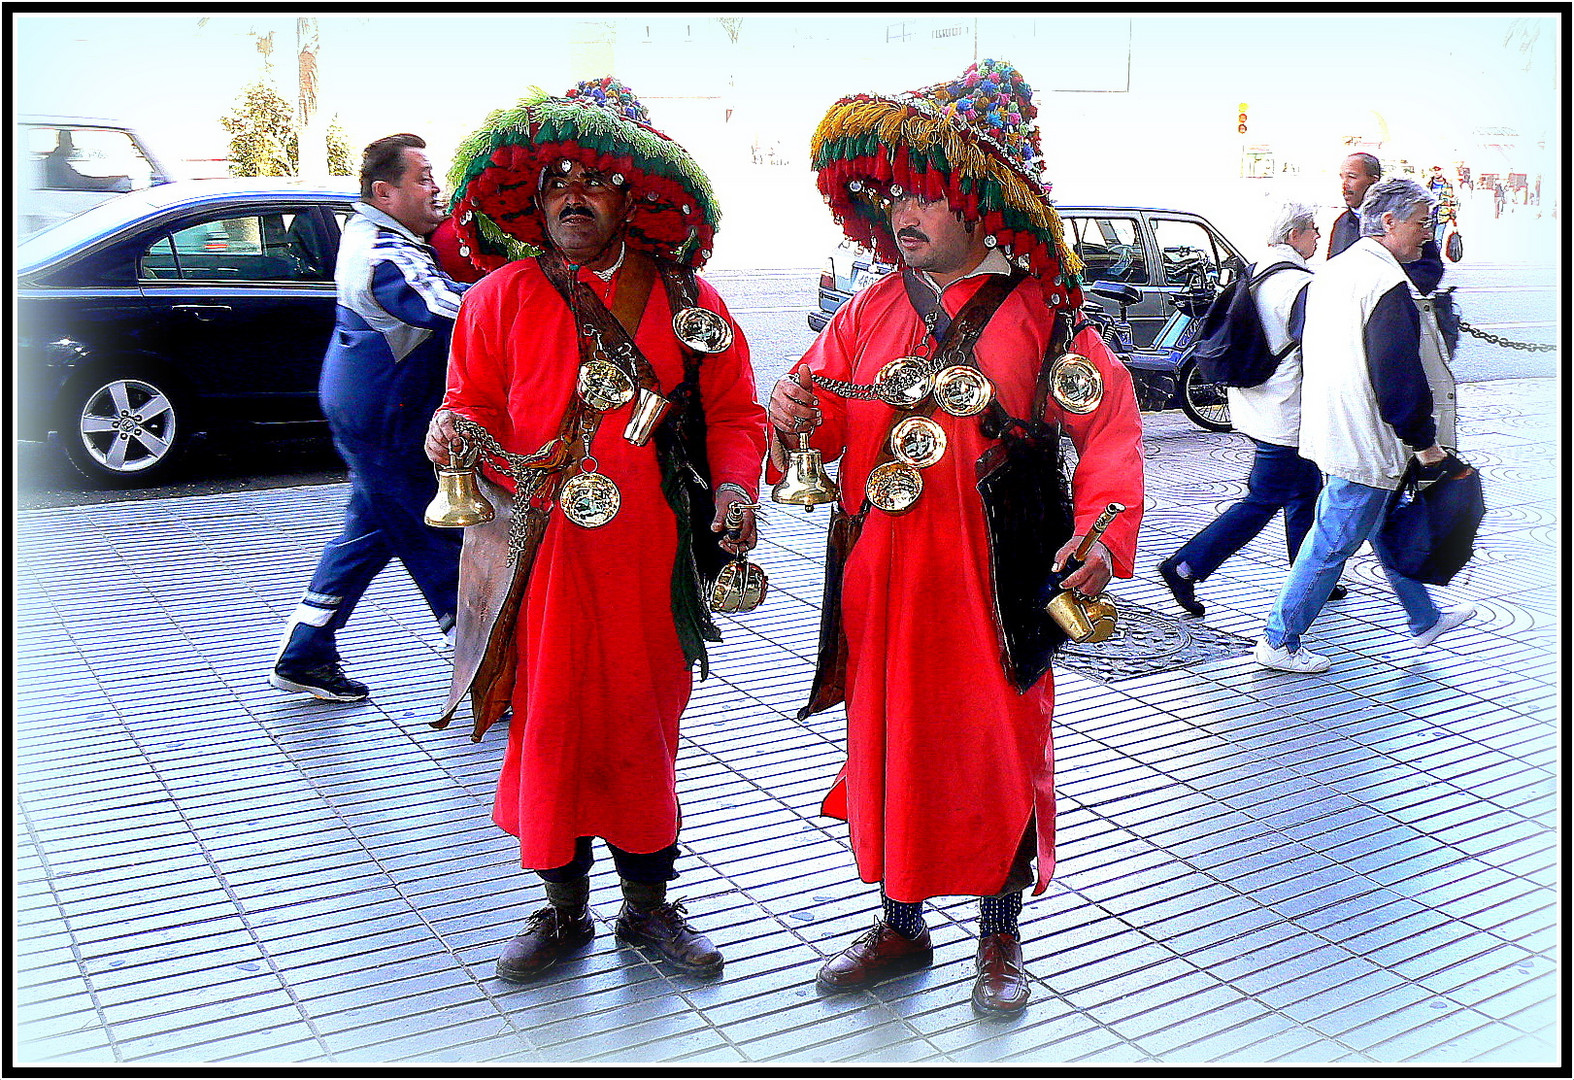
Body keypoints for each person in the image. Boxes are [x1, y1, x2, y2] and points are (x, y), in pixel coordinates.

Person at [768, 59, 1145, 1014]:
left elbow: (1109, 434)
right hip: (883, 581)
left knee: (995, 751)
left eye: (923, 193)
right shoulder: (864, 312)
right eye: (891, 194)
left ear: (979, 201)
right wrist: (791, 413)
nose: (902, 212)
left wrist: (1104, 535)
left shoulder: (1048, 320)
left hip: (993, 583)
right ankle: (899, 925)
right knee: (888, 746)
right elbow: (813, 419)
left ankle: (999, 933)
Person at [424, 79, 767, 982]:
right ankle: (561, 910)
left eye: (595, 181)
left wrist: (736, 489)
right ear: (534, 202)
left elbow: (736, 412)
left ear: (634, 198)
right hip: (536, 560)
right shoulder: (496, 299)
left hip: (650, 566)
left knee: (642, 730)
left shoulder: (690, 301)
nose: (571, 196)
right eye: (555, 182)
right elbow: (469, 405)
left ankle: (650, 910)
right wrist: (450, 430)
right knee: (549, 728)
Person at [270, 134, 470, 702]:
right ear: (384, 192)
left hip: (375, 407)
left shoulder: (380, 236)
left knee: (369, 533)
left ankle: (304, 653)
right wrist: (522, 287)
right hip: (387, 418)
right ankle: (482, 667)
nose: (437, 188)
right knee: (432, 534)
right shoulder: (384, 254)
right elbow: (443, 306)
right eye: (424, 178)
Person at [1255, 178, 1473, 673]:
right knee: (1333, 539)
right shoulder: (1385, 283)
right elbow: (1397, 373)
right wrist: (1425, 442)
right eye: (1422, 223)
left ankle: (1424, 617)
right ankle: (1279, 638)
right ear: (1390, 222)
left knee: (1376, 523)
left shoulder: (1335, 269)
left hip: (1333, 424)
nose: (1428, 233)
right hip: (1364, 436)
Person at [1160, 202, 1347, 616]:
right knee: (1263, 499)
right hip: (1287, 411)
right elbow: (1319, 350)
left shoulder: (1259, 270)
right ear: (1294, 235)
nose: (1318, 236)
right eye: (1313, 229)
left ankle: (1313, 576)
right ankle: (1185, 566)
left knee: (1304, 492)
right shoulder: (1298, 285)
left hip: (1257, 401)